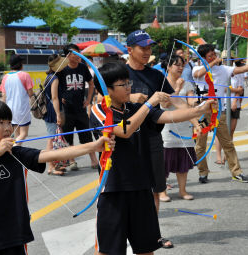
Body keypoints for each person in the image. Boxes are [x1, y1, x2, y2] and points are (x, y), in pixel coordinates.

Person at [0, 98, 115, 255]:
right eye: (0, 122)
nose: (8, 128)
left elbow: (54, 154)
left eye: (9, 122)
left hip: (15, 237)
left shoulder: (16, 153)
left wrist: (93, 146)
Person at [91, 62, 214, 255]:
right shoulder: (99, 111)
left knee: (147, 248)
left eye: (128, 82)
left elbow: (170, 115)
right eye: (122, 84)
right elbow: (124, 130)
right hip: (114, 190)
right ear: (107, 89)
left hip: (141, 186)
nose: (128, 87)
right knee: (108, 249)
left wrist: (200, 110)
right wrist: (149, 103)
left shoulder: (137, 108)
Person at [125, 30, 200, 248]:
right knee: (124, 190)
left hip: (151, 138)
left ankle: (152, 234)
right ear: (130, 49)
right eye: (143, 48)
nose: (147, 52)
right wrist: (129, 97)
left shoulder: (156, 76)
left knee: (154, 189)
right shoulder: (118, 72)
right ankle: (123, 233)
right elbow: (101, 99)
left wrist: (198, 115)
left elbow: (175, 102)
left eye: (150, 48)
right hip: (125, 140)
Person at [192, 43, 248, 183]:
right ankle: (203, 172)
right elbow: (198, 74)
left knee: (227, 143)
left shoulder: (224, 69)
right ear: (202, 58)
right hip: (202, 110)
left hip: (218, 111)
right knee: (200, 145)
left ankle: (236, 172)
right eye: (210, 55)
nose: (214, 56)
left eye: (214, 54)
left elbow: (240, 69)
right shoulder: (198, 68)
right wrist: (212, 63)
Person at [159, 55, 198, 202]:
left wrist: (198, 102)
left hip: (184, 128)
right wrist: (177, 88)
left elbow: (190, 102)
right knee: (163, 163)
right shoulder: (162, 83)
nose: (181, 68)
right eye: (177, 65)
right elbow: (165, 105)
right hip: (166, 128)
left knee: (183, 162)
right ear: (168, 67)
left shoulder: (187, 83)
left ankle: (182, 191)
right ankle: (162, 192)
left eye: (182, 65)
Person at [56, 44, 98, 170]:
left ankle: (94, 160)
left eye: (79, 52)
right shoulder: (62, 69)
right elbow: (55, 86)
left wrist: (89, 99)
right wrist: (60, 96)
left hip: (80, 108)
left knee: (86, 134)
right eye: (75, 53)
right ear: (68, 55)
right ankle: (72, 161)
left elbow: (91, 84)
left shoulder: (83, 68)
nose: (79, 55)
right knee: (68, 136)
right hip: (67, 109)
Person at [43, 54, 69, 175]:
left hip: (50, 108)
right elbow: (54, 98)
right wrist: (58, 114)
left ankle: (54, 164)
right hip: (52, 110)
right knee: (51, 138)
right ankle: (51, 166)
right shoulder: (55, 78)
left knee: (53, 138)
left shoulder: (48, 76)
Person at [0, 55, 34, 145]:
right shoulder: (25, 75)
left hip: (10, 109)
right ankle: (13, 148)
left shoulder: (5, 77)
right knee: (23, 134)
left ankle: (16, 153)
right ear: (20, 64)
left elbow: (4, 95)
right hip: (22, 108)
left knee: (17, 134)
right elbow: (30, 93)